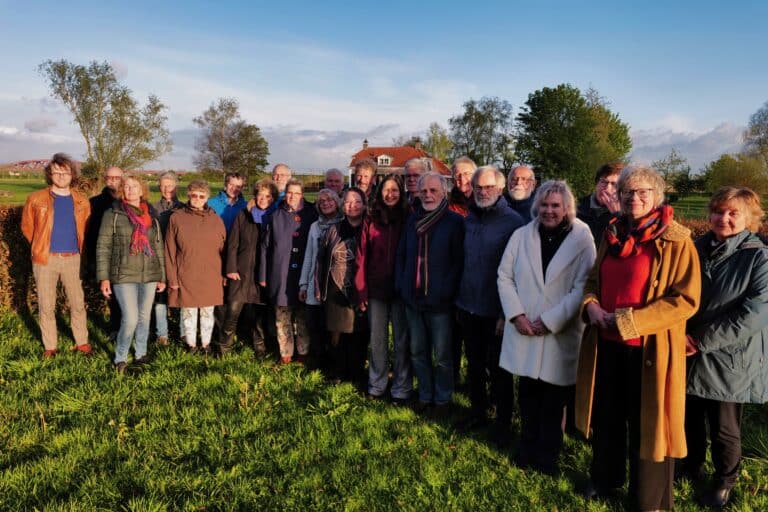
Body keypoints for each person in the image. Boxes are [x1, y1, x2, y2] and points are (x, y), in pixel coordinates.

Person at [575, 165, 701, 511]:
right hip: (606, 345)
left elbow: (685, 299)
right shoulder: (611, 233)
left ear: (657, 197)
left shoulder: (677, 239)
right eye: (628, 191)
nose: (635, 198)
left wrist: (631, 321)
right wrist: (591, 306)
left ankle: (648, 498)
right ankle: (605, 478)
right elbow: (591, 281)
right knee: (608, 417)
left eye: (643, 192)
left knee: (650, 426)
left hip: (649, 350)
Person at [497, 180, 596, 474]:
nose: (549, 211)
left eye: (555, 206)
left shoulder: (582, 238)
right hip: (525, 327)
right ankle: (526, 447)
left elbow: (583, 287)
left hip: (559, 331)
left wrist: (550, 320)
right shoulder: (520, 235)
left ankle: (548, 455)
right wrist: (517, 315)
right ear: (536, 206)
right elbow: (504, 276)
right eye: (544, 205)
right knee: (527, 395)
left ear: (567, 207)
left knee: (554, 402)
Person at [681, 186, 768, 508]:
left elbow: (755, 313)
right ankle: (690, 464)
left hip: (730, 357)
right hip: (687, 351)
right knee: (689, 415)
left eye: (734, 213)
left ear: (750, 219)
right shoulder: (694, 247)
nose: (724, 218)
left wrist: (700, 340)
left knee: (723, 426)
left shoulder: (758, 257)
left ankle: (725, 480)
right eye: (718, 211)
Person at [454, 166, 524, 433]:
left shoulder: (513, 223)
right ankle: (477, 413)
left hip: (496, 311)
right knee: (474, 366)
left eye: (489, 187)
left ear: (500, 188)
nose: (483, 192)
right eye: (479, 187)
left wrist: (506, 314)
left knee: (499, 371)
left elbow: (517, 273)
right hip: (468, 305)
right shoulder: (469, 218)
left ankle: (503, 422)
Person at [396, 172, 464, 418]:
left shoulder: (455, 222)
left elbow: (458, 262)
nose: (428, 195)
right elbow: (402, 255)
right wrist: (403, 287)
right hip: (413, 299)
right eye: (424, 191)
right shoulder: (412, 221)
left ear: (443, 192)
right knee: (418, 351)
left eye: (433, 190)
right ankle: (425, 394)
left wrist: (445, 292)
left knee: (443, 356)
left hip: (441, 302)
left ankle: (443, 397)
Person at [21, 153, 92, 358]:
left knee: (77, 303)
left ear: (72, 175)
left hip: (73, 258)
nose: (61, 176)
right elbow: (28, 227)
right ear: (49, 174)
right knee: (46, 304)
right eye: (57, 172)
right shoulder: (36, 199)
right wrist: (39, 246)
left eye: (65, 172)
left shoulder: (81, 201)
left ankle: (82, 342)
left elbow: (85, 229)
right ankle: (50, 346)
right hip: (46, 259)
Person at [96, 172, 166, 373]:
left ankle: (141, 353)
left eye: (134, 186)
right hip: (123, 274)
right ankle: (120, 357)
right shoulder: (113, 214)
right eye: (126, 186)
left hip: (149, 274)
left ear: (142, 190)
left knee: (145, 317)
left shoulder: (151, 214)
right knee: (131, 318)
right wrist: (104, 278)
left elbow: (158, 246)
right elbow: (103, 247)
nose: (130, 190)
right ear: (121, 190)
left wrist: (162, 275)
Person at [355, 175, 412, 403]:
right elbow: (361, 256)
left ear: (401, 193)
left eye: (395, 190)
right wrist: (361, 290)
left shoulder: (408, 218)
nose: (391, 194)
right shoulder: (371, 219)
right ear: (380, 192)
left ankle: (401, 388)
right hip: (376, 290)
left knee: (401, 341)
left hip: (400, 291)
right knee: (377, 340)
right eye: (387, 190)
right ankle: (377, 384)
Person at [218, 179, 279, 357]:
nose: (263, 199)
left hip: (262, 274)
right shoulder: (243, 215)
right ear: (255, 195)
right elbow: (232, 244)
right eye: (260, 195)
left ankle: (260, 348)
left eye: (267, 196)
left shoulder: (275, 217)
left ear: (273, 198)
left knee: (259, 316)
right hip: (241, 273)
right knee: (232, 313)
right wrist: (230, 268)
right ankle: (224, 348)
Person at [260, 178, 318, 364]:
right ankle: (285, 353)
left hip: (303, 273)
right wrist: (263, 275)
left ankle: (303, 352)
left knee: (302, 317)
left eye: (296, 193)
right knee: (282, 317)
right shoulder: (276, 215)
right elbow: (265, 248)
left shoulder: (312, 214)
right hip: (280, 274)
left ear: (302, 195)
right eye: (289, 192)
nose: (292, 196)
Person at [165, 180, 226, 354]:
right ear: (188, 195)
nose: (197, 199)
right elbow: (169, 250)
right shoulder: (176, 218)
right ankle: (191, 345)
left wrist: (223, 275)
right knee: (189, 312)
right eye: (194, 195)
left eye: (201, 196)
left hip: (211, 274)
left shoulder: (216, 219)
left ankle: (205, 344)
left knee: (208, 311)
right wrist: (173, 278)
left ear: (207, 198)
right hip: (186, 273)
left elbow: (224, 250)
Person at [317, 187, 368, 386]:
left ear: (364, 205)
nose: (352, 206)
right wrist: (319, 287)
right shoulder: (333, 229)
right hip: (334, 286)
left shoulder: (370, 228)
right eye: (347, 202)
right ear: (342, 205)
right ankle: (337, 371)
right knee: (336, 333)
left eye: (357, 202)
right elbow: (321, 260)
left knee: (359, 332)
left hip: (361, 287)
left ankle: (356, 372)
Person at [299, 188, 343, 370]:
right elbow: (309, 256)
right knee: (313, 325)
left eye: (330, 199)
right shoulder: (314, 227)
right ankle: (317, 364)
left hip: (333, 285)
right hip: (313, 284)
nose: (326, 203)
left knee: (331, 328)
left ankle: (332, 364)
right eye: (322, 201)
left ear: (337, 202)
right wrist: (303, 284)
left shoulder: (343, 224)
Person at [85, 165, 124, 338]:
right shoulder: (95, 203)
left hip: (127, 258)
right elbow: (90, 233)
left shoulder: (130, 200)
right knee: (113, 297)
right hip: (106, 257)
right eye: (110, 177)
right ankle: (116, 329)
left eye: (117, 177)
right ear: (105, 179)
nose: (113, 181)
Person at [152, 171, 183, 346]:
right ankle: (162, 334)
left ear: (176, 187)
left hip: (179, 259)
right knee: (160, 298)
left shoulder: (183, 208)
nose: (166, 189)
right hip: (159, 258)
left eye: (170, 185)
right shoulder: (152, 208)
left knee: (179, 296)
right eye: (163, 185)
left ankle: (182, 332)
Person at [577, 162, 623, 245]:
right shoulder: (576, 208)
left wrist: (617, 215)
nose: (607, 188)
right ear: (596, 183)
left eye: (614, 184)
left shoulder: (625, 213)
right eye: (603, 182)